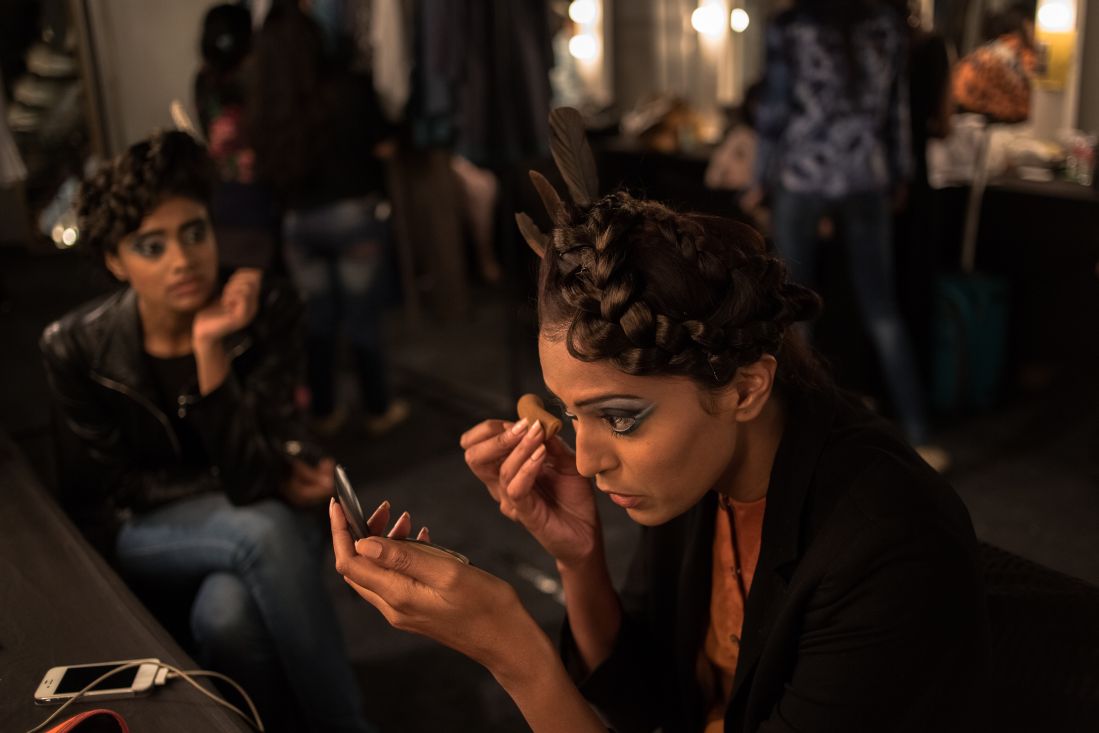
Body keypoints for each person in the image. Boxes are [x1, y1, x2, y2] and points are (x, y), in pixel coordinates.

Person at [329, 114, 989, 732]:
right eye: (569, 413)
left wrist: (514, 652)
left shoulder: (883, 548)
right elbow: (648, 702)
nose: (585, 460)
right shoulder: (705, 469)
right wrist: (579, 558)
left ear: (744, 386)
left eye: (618, 417)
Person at [40, 130, 374, 733]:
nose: (182, 259)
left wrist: (210, 348)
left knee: (228, 615)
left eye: (194, 232)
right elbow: (113, 490)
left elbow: (254, 474)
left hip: (257, 508)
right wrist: (254, 481)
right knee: (262, 531)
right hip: (145, 528)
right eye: (151, 245)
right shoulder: (74, 347)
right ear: (115, 260)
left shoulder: (269, 307)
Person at [746, 0, 946, 469]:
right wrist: (899, 173)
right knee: (882, 308)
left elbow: (775, 110)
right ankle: (920, 432)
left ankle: (800, 434)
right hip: (866, 177)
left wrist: (759, 176)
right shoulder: (885, 24)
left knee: (796, 305)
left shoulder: (794, 26)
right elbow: (895, 110)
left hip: (804, 174)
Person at [251, 3, 406, 437]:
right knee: (362, 319)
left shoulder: (267, 107)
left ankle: (325, 411)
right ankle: (378, 409)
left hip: (299, 223)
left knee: (316, 323)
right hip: (354, 216)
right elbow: (385, 142)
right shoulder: (347, 87)